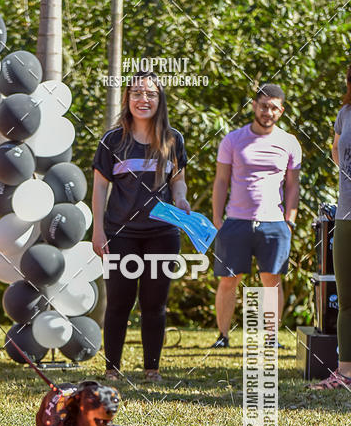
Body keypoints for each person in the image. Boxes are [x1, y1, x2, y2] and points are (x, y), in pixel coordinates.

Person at [92, 73, 190, 382]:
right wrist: (98, 231)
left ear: (160, 101)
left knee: (154, 303)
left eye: (150, 94)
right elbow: (98, 190)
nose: (143, 99)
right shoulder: (112, 141)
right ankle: (112, 370)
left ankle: (152, 370)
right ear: (127, 99)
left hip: (162, 233)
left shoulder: (173, 139)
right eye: (136, 93)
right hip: (120, 234)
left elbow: (178, 184)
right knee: (119, 302)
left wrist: (182, 201)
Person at [211, 83, 301, 347]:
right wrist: (218, 219)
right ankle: (223, 336)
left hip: (274, 222)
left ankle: (271, 337)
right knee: (229, 280)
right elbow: (220, 181)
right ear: (254, 106)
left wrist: (290, 219)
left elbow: (293, 185)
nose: (268, 112)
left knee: (271, 281)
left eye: (274, 107)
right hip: (236, 221)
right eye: (263, 106)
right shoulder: (233, 139)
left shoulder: (289, 142)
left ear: (281, 111)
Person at [310, 66, 351, 390]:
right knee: (347, 298)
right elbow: (337, 149)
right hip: (347, 214)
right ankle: (345, 371)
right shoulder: (344, 113)